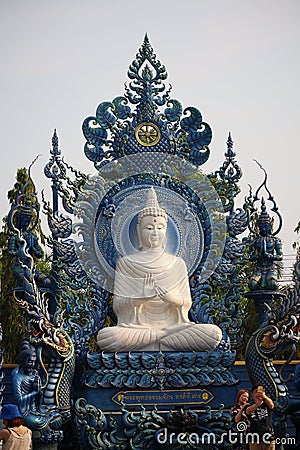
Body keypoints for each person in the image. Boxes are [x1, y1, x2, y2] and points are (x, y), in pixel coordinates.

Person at [97, 188, 222, 352]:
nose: (154, 232)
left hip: (174, 328)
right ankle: (162, 338)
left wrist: (171, 298)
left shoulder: (177, 264)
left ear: (166, 232)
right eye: (148, 228)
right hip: (137, 330)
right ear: (138, 232)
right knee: (107, 337)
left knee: (213, 334)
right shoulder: (126, 263)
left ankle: (156, 339)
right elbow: (119, 306)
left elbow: (186, 303)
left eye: (159, 228)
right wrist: (141, 297)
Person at [245, 385, 275, 450]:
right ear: (252, 394)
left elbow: (272, 405)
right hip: (255, 438)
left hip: (268, 437)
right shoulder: (249, 405)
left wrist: (264, 396)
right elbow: (248, 411)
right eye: (256, 392)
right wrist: (257, 404)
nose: (258, 394)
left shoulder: (266, 404)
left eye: (260, 391)